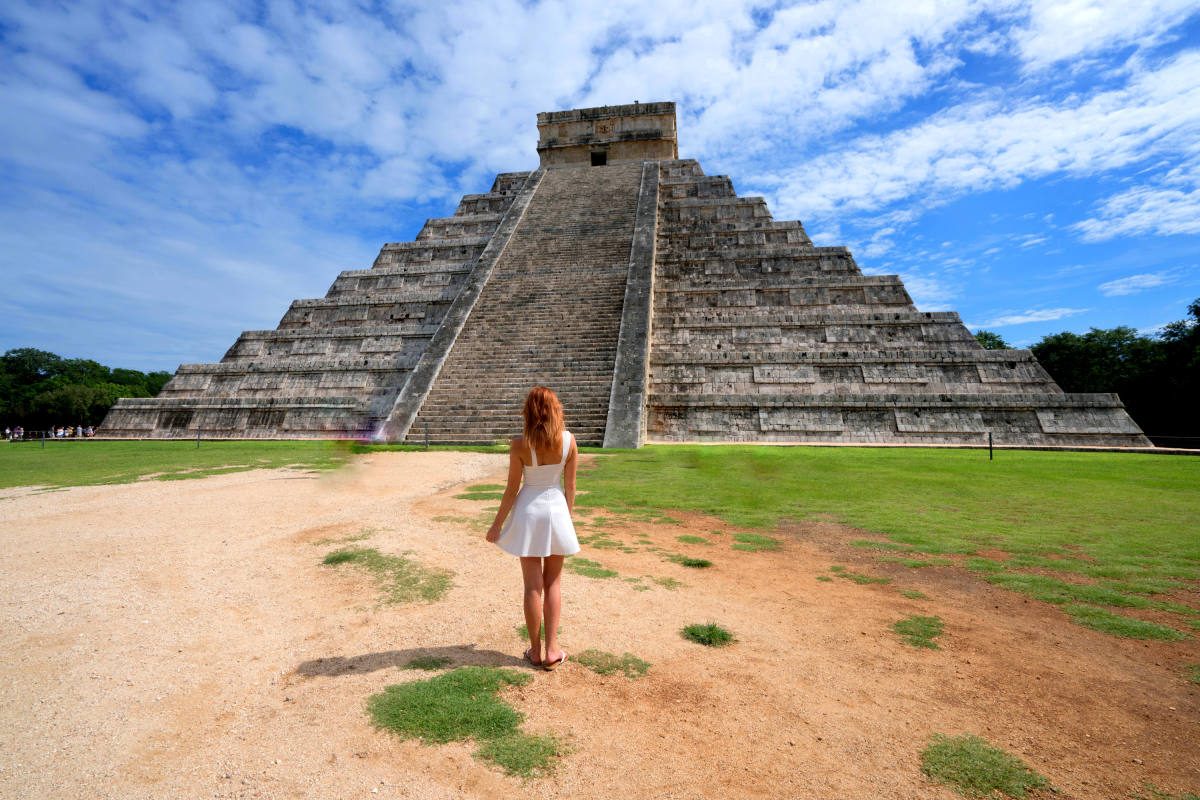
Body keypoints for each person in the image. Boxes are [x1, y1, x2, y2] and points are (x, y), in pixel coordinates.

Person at [486, 386, 580, 671]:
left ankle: (536, 651)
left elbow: (511, 490)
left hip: (529, 511)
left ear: (528, 412)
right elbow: (571, 488)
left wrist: (496, 525)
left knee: (532, 586)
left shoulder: (519, 444)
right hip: (556, 510)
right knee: (553, 583)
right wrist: (567, 520)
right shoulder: (569, 441)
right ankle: (553, 649)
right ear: (556, 410)